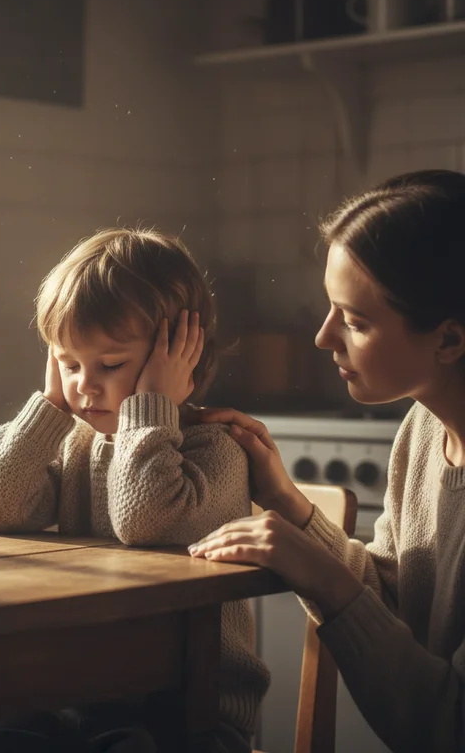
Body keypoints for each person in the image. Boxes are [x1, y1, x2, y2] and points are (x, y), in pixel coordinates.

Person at [0, 227, 269, 752]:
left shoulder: (216, 450)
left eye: (111, 365)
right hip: (85, 701)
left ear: (178, 359)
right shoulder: (78, 443)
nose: (84, 384)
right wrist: (52, 407)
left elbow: (146, 520)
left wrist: (150, 407)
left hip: (191, 715)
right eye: (69, 363)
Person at [189, 169, 465, 753]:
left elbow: (449, 723)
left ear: (449, 339)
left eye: (356, 321)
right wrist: (287, 504)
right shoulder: (422, 429)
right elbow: (390, 605)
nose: (323, 337)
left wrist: (311, 567)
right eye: (331, 309)